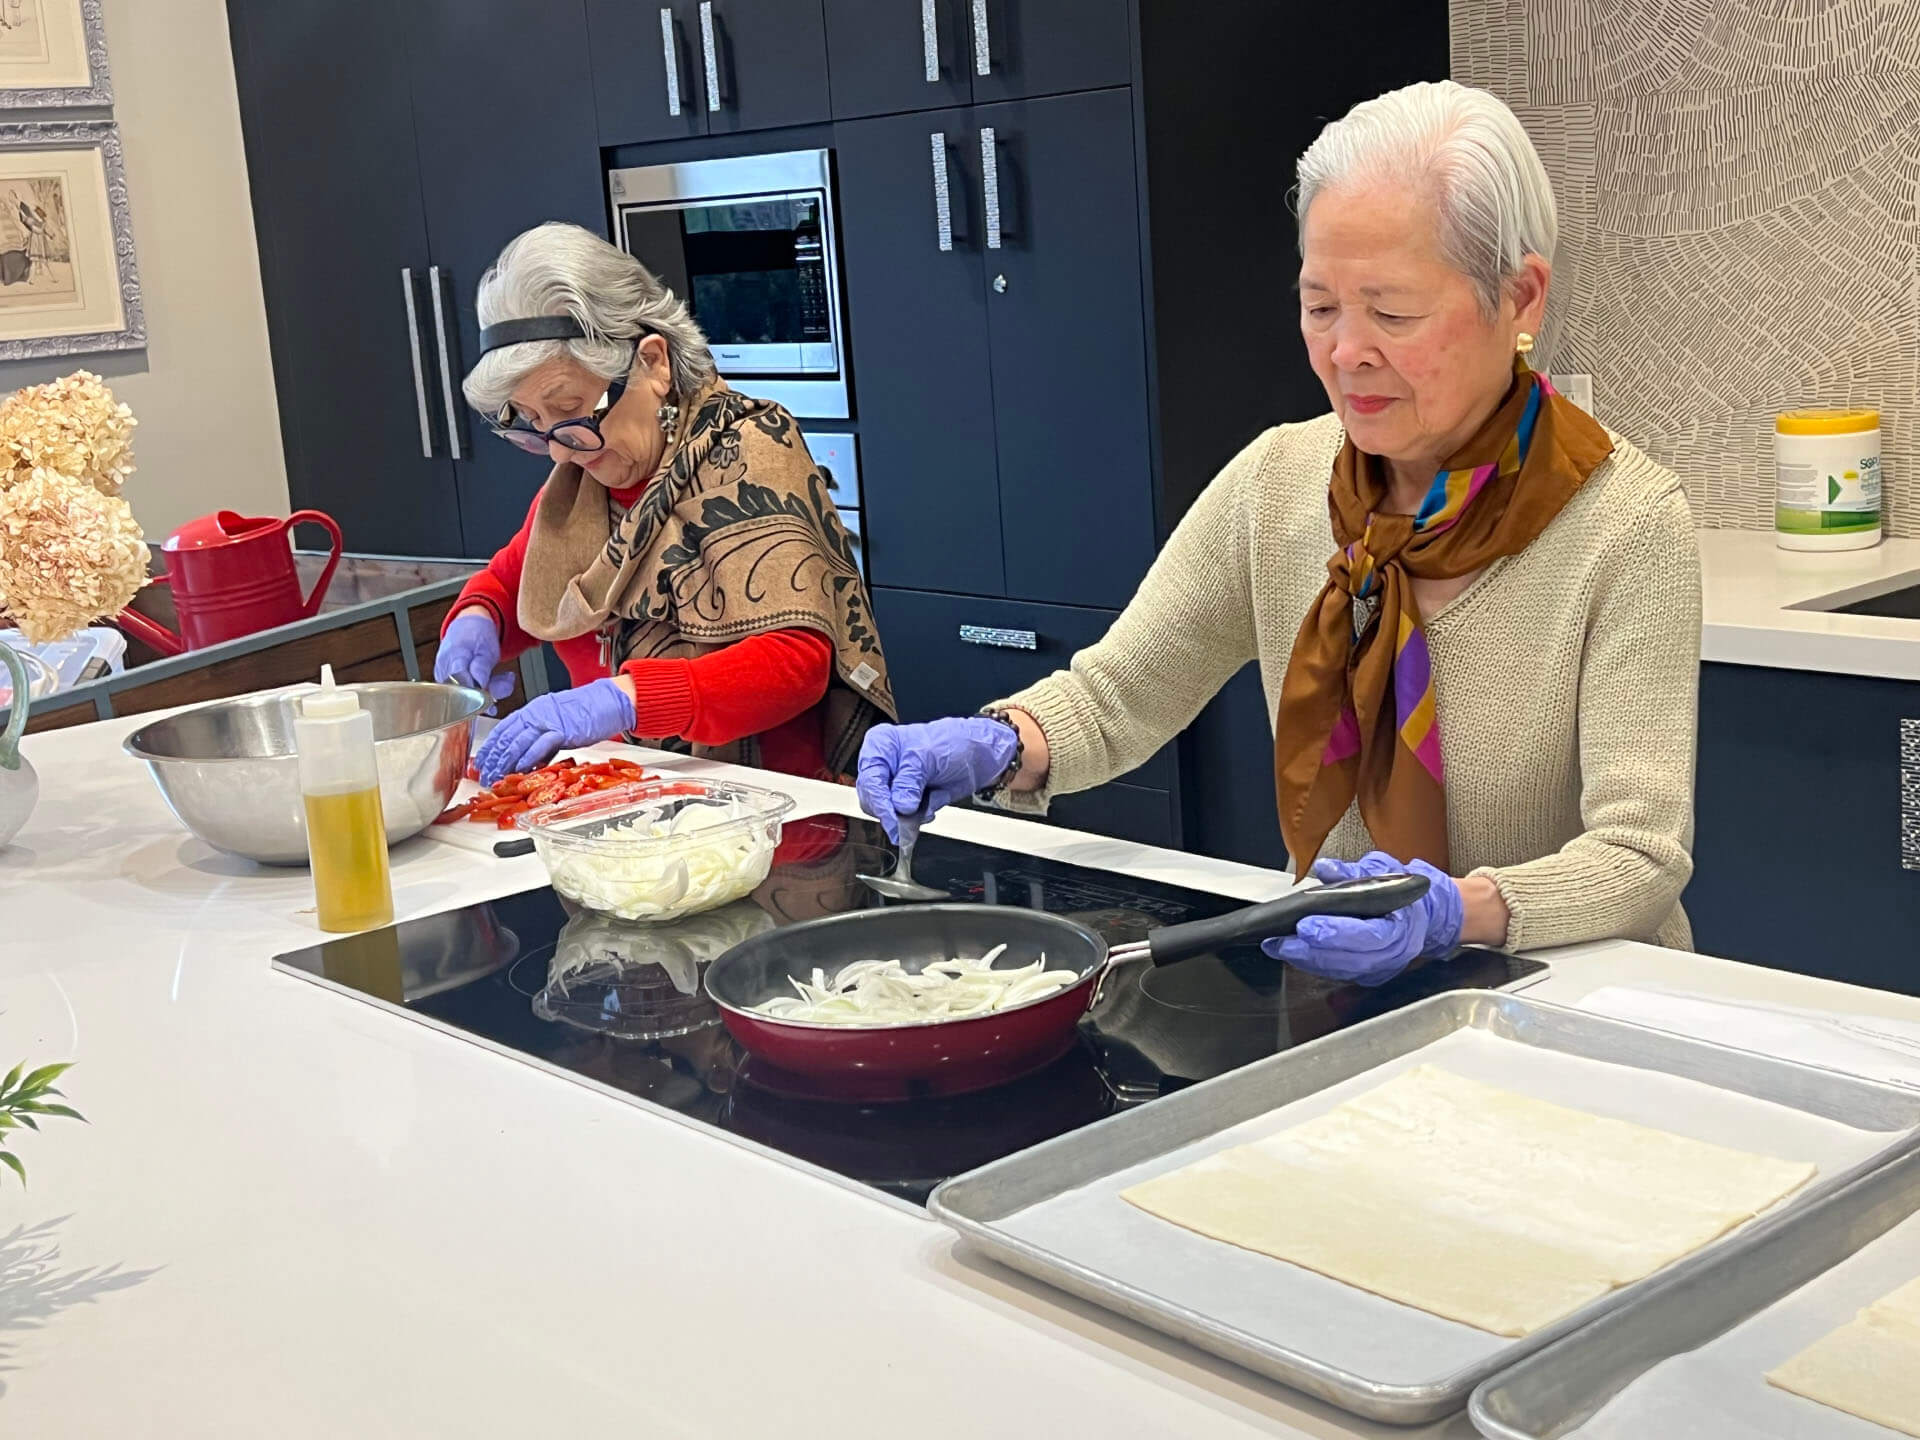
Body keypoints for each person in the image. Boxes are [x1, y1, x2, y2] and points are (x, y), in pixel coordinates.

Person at [855, 81, 1701, 986]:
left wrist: (1458, 912)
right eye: (1320, 306)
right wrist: (998, 741)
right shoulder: (1278, 482)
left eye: (1392, 311)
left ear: (1521, 298)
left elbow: (1639, 855)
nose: (1346, 352)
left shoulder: (1626, 522)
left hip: (1572, 997)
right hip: (1348, 982)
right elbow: (1119, 695)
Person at [438, 222, 895, 786]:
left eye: (572, 408)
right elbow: (516, 581)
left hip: (767, 807)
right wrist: (477, 620)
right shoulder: (583, 479)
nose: (559, 448)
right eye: (532, 422)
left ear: (652, 363)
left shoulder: (748, 453)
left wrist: (625, 699)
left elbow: (795, 663)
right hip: (624, 795)